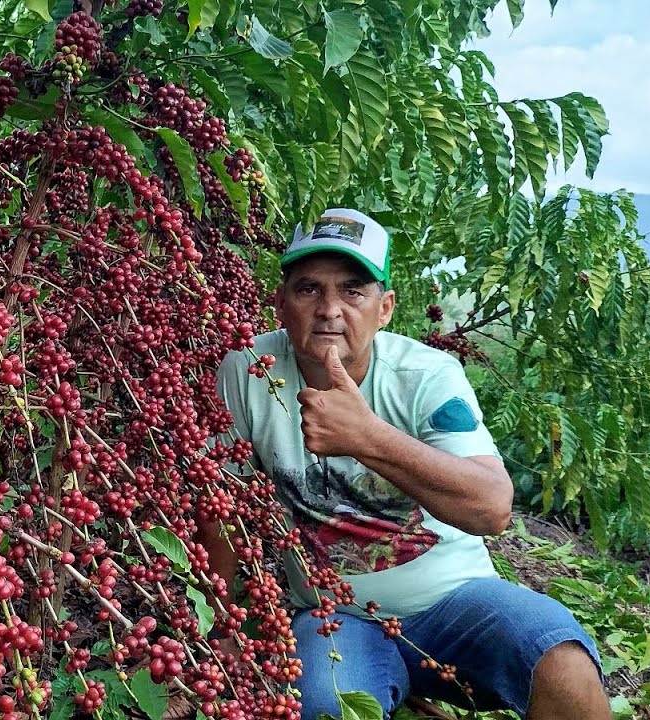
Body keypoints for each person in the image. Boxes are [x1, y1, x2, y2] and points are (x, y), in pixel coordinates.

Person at [200, 208, 609, 719]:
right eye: (309, 290)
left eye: (353, 291)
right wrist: (222, 624)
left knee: (562, 663)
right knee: (326, 706)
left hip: (458, 600)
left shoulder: (426, 376)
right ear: (280, 304)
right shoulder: (249, 371)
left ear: (385, 308)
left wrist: (368, 437)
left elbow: (492, 508)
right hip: (337, 618)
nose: (330, 310)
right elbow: (221, 503)